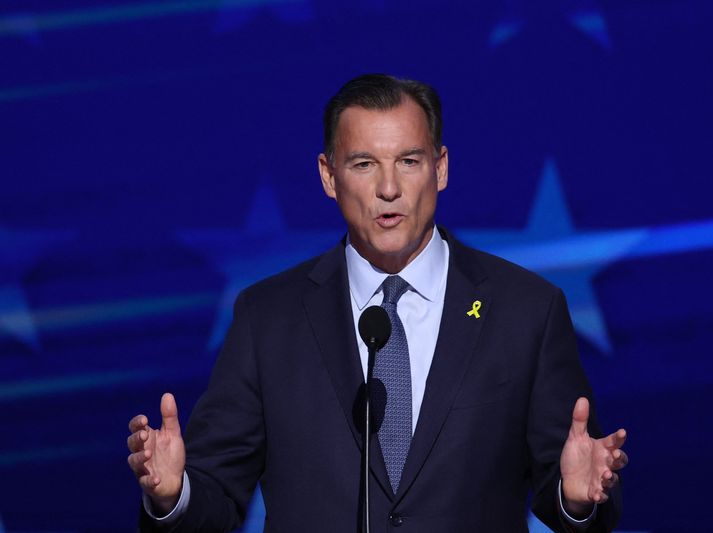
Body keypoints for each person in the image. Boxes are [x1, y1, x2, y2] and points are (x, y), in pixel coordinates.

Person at [127, 74, 628, 533]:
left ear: (441, 167)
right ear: (328, 176)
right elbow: (216, 497)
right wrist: (174, 494)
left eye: (409, 161)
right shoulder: (268, 318)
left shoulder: (526, 311)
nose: (389, 189)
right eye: (364, 164)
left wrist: (576, 500)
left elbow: (570, 491)